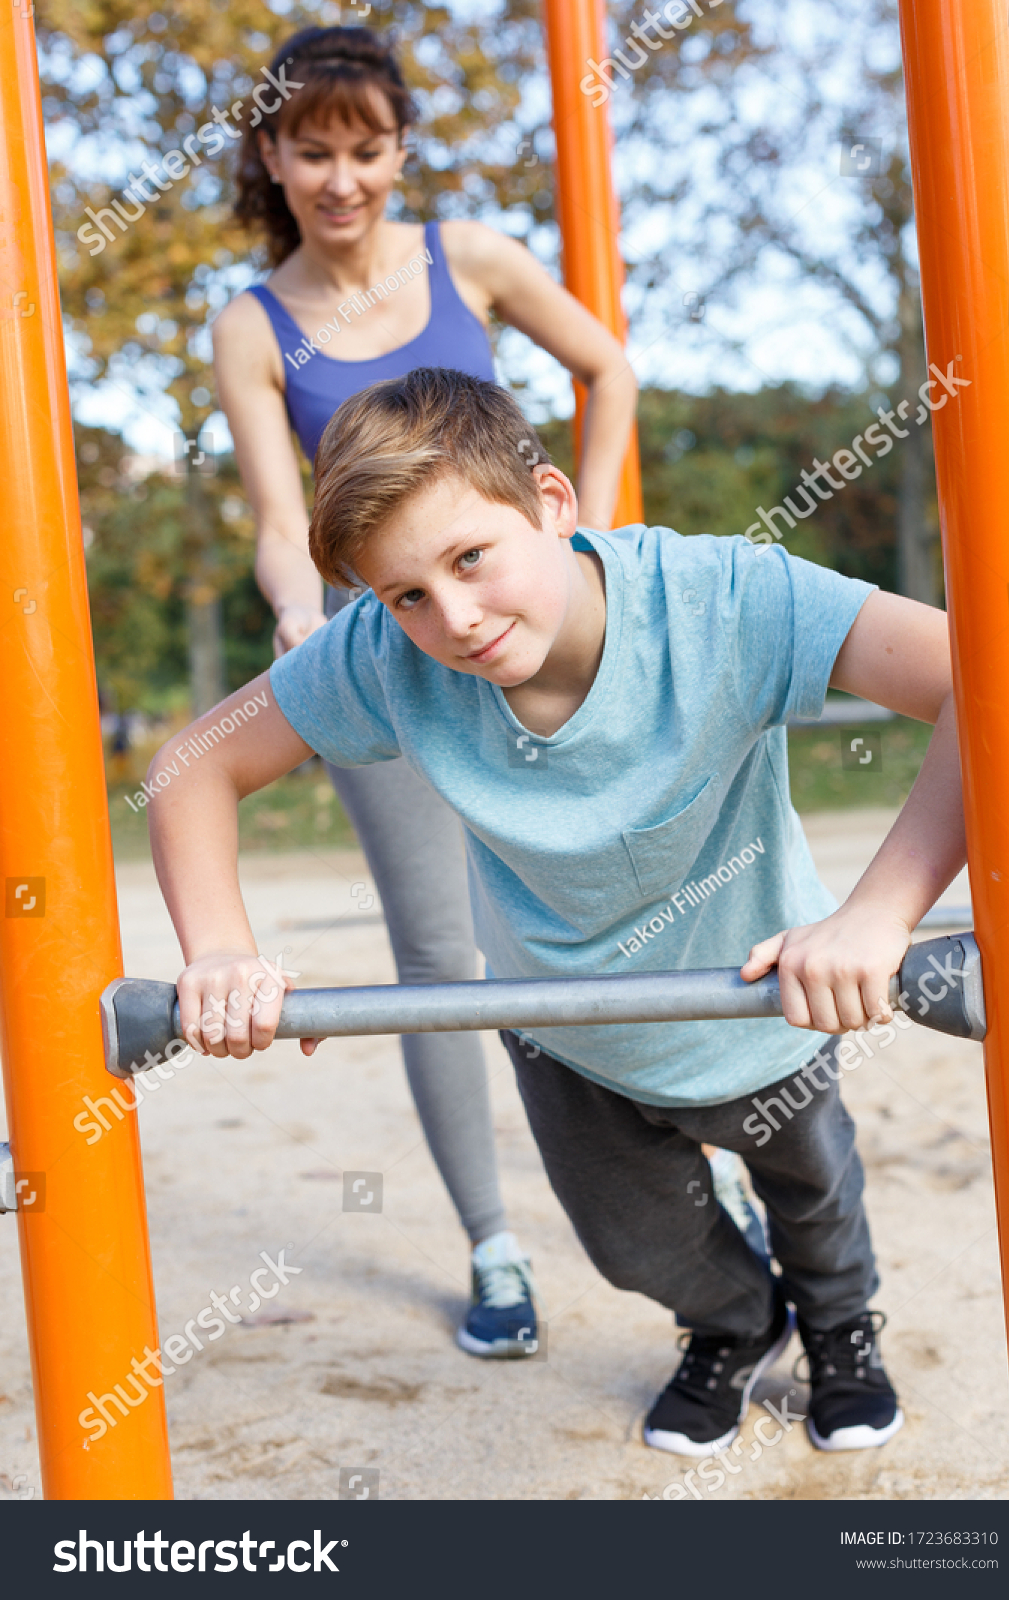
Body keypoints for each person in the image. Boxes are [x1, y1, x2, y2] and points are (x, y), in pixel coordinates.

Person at [146, 369, 965, 1458]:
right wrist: (218, 953)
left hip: (759, 997)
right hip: (566, 1022)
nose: (456, 618)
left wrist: (875, 913)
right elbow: (188, 771)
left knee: (811, 1197)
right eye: (406, 595)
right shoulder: (388, 657)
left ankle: (840, 1328)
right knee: (634, 1242)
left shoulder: (722, 601)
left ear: (550, 502)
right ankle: (731, 1321)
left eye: (469, 557)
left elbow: (988, 679)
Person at [210, 24, 638, 1357]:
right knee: (439, 952)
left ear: (400, 148)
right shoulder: (252, 320)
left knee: (613, 899)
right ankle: (494, 1247)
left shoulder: (477, 260)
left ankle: (701, 1153)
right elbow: (283, 518)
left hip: (533, 615)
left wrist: (591, 540)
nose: (342, 177)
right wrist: (298, 612)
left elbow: (607, 367)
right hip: (383, 643)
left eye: (367, 147)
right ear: (272, 155)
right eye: (313, 149)